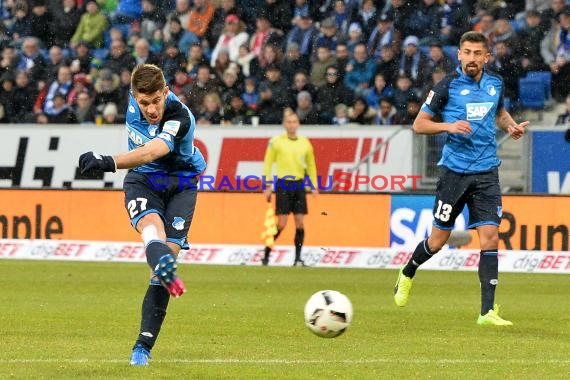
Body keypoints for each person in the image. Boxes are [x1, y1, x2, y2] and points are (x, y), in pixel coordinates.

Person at [393, 31, 529, 326]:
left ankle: (487, 312)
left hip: (486, 173)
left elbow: (499, 111)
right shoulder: (447, 86)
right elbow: (419, 124)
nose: (471, 58)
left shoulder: (496, 83)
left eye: (477, 53)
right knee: (438, 239)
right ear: (459, 55)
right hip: (454, 174)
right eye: (466, 52)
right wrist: (449, 126)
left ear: (486, 57)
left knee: (490, 237)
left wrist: (511, 126)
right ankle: (408, 272)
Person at [78, 64, 206, 365]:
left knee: (164, 262)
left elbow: (152, 151)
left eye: (155, 101)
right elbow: (144, 161)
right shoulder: (135, 100)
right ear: (134, 96)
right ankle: (140, 351)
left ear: (166, 92)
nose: (150, 109)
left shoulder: (180, 115)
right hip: (142, 181)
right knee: (151, 229)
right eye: (143, 102)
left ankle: (143, 346)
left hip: (180, 184)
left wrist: (106, 161)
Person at [262, 108, 318, 266]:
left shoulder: (305, 143)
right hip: (283, 184)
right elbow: (268, 163)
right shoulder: (276, 142)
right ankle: (266, 253)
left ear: (298, 124)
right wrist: (266, 184)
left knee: (300, 222)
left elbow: (311, 165)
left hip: (299, 185)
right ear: (284, 124)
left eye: (294, 122)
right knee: (282, 224)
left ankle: (298, 258)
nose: (292, 125)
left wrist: (313, 185)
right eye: (289, 122)